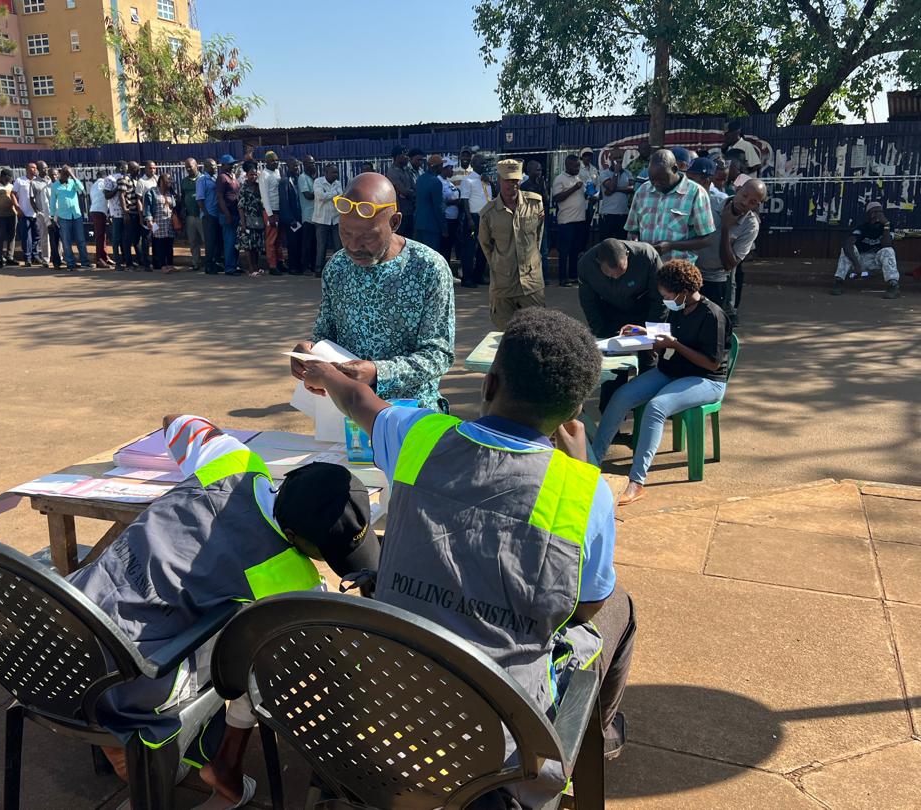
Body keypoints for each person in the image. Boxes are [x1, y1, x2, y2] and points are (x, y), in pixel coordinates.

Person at [300, 308, 636, 808]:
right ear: (573, 414)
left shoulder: (419, 436)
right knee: (619, 607)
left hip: (389, 698)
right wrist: (580, 466)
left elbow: (358, 399)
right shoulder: (584, 491)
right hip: (499, 744)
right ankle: (597, 736)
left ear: (490, 382)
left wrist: (324, 373)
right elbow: (581, 608)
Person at [68, 414, 381, 807]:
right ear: (297, 539)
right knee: (273, 659)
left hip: (57, 630)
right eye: (327, 553)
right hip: (120, 680)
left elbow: (175, 422)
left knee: (202, 613)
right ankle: (205, 761)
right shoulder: (288, 578)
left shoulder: (235, 461)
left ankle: (135, 751)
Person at [290, 173, 455, 408]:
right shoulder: (337, 267)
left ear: (395, 222)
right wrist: (308, 351)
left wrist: (378, 372)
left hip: (411, 413)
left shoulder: (428, 268)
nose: (354, 246)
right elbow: (325, 335)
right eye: (345, 233)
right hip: (346, 416)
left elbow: (439, 355)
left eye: (368, 236)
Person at [593, 259, 731, 506]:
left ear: (684, 292)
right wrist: (642, 332)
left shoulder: (713, 315)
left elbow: (711, 363)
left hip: (705, 380)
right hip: (673, 371)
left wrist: (675, 345)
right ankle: (593, 461)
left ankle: (636, 482)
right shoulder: (680, 308)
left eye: (668, 295)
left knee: (657, 407)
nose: (665, 299)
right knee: (622, 396)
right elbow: (666, 333)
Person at [578, 238, 666, 411]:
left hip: (645, 311)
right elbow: (589, 303)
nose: (616, 277)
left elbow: (661, 298)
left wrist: (654, 333)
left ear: (627, 256)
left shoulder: (647, 256)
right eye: (610, 274)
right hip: (610, 313)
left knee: (650, 360)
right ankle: (611, 416)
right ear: (598, 263)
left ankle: (647, 411)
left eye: (621, 271)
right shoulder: (586, 265)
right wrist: (601, 333)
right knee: (614, 365)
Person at [691, 162, 767, 320]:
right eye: (744, 196)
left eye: (753, 202)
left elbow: (730, 265)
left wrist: (725, 227)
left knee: (709, 322)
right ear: (737, 190)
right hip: (691, 271)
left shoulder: (751, 226)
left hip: (715, 279)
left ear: (757, 205)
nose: (745, 203)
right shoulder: (710, 203)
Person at [477, 158, 546, 330]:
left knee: (537, 331)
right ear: (499, 180)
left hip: (531, 283)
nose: (511, 185)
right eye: (507, 180)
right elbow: (485, 244)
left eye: (515, 180)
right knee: (504, 335)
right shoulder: (489, 213)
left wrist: (533, 258)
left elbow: (538, 235)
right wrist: (499, 263)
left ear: (520, 180)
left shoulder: (535, 204)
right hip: (503, 285)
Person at [625, 149, 715, 262]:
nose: (656, 184)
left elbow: (707, 239)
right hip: (645, 267)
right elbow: (632, 230)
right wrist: (634, 241)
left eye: (662, 179)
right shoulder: (643, 191)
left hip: (678, 269)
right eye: (653, 180)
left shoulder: (696, 193)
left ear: (675, 169)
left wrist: (671, 246)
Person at [831, 200, 900, 299]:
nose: (878, 215)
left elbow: (887, 244)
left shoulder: (888, 226)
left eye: (880, 212)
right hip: (859, 260)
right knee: (846, 249)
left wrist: (886, 226)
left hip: (876, 262)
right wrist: (856, 265)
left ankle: (893, 285)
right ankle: (838, 282)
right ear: (869, 214)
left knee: (888, 250)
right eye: (875, 212)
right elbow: (848, 245)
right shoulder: (862, 227)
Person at [457, 152, 492, 288]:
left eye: (484, 163)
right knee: (470, 249)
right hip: (473, 217)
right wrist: (470, 219)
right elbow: (465, 200)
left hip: (486, 218)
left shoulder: (485, 180)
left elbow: (491, 196)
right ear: (473, 165)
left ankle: (479, 276)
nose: (483, 165)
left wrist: (489, 181)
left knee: (484, 248)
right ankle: (467, 278)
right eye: (480, 163)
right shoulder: (468, 180)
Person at [551, 153, 586, 286]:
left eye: (578, 166)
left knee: (575, 250)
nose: (577, 169)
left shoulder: (579, 178)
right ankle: (562, 278)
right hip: (566, 221)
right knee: (564, 251)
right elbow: (557, 198)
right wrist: (574, 188)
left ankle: (572, 276)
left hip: (579, 220)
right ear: (567, 165)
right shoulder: (559, 179)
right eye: (575, 166)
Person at [50, 165, 90, 271]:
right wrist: (52, 217)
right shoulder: (55, 186)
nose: (67, 176)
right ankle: (70, 264)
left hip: (76, 215)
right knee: (66, 241)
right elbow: (53, 203)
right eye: (65, 173)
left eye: (68, 174)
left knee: (81, 240)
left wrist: (73, 175)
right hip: (63, 217)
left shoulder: (73, 183)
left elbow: (82, 190)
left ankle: (85, 262)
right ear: (60, 174)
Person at [237, 159, 266, 277]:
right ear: (246, 175)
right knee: (248, 246)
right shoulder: (243, 188)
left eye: (255, 174)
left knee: (257, 246)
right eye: (251, 174)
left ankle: (256, 267)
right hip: (247, 220)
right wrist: (243, 224)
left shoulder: (259, 187)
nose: (253, 176)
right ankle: (250, 269)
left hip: (258, 220)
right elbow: (240, 207)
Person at [311, 163, 342, 277]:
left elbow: (340, 197)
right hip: (321, 220)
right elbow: (320, 196)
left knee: (338, 246)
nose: (336, 174)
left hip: (335, 219)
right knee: (321, 246)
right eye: (333, 172)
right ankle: (319, 270)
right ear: (326, 173)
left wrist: (329, 195)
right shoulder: (318, 182)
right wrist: (335, 194)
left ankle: (337, 270)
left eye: (336, 172)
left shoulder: (337, 183)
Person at [145, 172, 178, 274]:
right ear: (161, 181)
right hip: (158, 223)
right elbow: (148, 207)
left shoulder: (171, 192)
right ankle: (163, 265)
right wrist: (149, 220)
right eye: (168, 180)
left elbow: (175, 206)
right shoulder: (152, 192)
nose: (170, 182)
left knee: (169, 245)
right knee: (160, 245)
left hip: (169, 223)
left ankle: (170, 265)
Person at [258, 151, 285, 275]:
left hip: (280, 209)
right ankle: (272, 265)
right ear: (266, 162)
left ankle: (280, 262)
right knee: (271, 239)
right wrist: (270, 215)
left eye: (276, 160)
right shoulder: (264, 175)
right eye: (272, 160)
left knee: (279, 239)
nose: (275, 162)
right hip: (271, 211)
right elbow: (264, 196)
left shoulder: (277, 172)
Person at [412, 154, 446, 253]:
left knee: (420, 254)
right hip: (432, 226)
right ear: (437, 167)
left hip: (419, 223)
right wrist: (444, 228)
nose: (442, 168)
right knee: (431, 255)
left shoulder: (420, 179)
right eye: (441, 165)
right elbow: (438, 207)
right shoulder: (435, 182)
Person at [277, 158, 304, 274]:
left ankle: (298, 265)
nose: (297, 168)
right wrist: (290, 219)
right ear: (288, 166)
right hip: (291, 219)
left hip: (300, 217)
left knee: (299, 242)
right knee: (292, 243)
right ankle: (292, 267)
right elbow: (284, 202)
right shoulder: (285, 181)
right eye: (294, 166)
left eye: (297, 166)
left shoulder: (298, 179)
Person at [599, 150, 634, 241]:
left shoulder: (627, 173)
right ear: (610, 159)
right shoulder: (604, 173)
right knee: (606, 244)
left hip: (623, 214)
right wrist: (616, 172)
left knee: (622, 243)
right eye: (615, 158)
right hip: (608, 214)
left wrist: (615, 189)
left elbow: (631, 188)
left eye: (620, 158)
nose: (618, 161)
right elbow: (611, 187)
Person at [31, 161, 61, 269]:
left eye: (46, 168)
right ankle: (46, 259)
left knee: (57, 236)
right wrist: (37, 211)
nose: (46, 170)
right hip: (42, 213)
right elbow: (31, 198)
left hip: (55, 213)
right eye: (43, 168)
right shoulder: (34, 182)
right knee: (45, 237)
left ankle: (59, 257)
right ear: (38, 169)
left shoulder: (51, 180)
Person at [196, 158, 223, 274]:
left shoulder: (215, 178)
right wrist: (206, 214)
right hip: (209, 215)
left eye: (216, 165)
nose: (215, 167)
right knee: (210, 241)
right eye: (212, 166)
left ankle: (216, 263)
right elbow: (200, 200)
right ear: (206, 167)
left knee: (218, 241)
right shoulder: (202, 180)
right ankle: (208, 265)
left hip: (218, 214)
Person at [216, 154, 241, 275]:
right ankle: (229, 267)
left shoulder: (233, 176)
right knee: (229, 241)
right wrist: (227, 214)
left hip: (236, 213)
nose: (232, 165)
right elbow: (220, 197)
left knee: (236, 242)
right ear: (223, 165)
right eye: (230, 164)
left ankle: (235, 265)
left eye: (233, 164)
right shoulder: (222, 178)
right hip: (227, 215)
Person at [9, 163, 38, 267]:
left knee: (37, 236)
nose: (34, 169)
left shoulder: (38, 180)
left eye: (35, 168)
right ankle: (27, 258)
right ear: (26, 169)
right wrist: (17, 208)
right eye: (32, 167)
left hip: (37, 213)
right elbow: (12, 194)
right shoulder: (20, 180)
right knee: (27, 237)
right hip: (24, 213)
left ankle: (35, 256)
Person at [386, 145, 416, 238]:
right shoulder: (392, 172)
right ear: (397, 156)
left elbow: (414, 187)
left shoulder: (407, 171)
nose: (407, 157)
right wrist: (411, 193)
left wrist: (410, 192)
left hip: (410, 210)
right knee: (400, 238)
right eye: (404, 155)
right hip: (400, 211)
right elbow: (403, 191)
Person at [181, 158, 204, 272]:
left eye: (190, 166)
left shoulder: (203, 179)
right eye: (186, 167)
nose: (188, 169)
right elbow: (182, 196)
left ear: (197, 166)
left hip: (202, 215)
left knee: (206, 240)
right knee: (193, 241)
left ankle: (210, 262)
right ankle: (196, 263)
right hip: (190, 216)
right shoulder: (184, 181)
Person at [119, 162, 144, 270]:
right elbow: (121, 196)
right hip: (130, 213)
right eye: (137, 169)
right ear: (132, 169)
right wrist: (125, 211)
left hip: (136, 213)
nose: (138, 171)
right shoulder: (124, 179)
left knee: (137, 239)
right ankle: (128, 262)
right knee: (128, 239)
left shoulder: (136, 180)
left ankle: (140, 260)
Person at [87, 168, 112, 269]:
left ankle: (104, 257)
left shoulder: (93, 185)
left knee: (102, 235)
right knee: (100, 236)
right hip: (100, 211)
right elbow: (107, 198)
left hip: (95, 210)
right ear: (105, 177)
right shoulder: (104, 183)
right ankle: (100, 260)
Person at [136, 161, 159, 269]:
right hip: (147, 215)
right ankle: (146, 262)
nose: (153, 170)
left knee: (156, 238)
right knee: (146, 239)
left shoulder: (157, 179)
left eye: (154, 168)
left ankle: (156, 261)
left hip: (157, 216)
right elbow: (139, 200)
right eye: (150, 168)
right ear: (145, 169)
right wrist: (141, 216)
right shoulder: (141, 181)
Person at [298, 155, 318, 273]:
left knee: (313, 243)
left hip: (315, 215)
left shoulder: (312, 178)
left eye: (314, 163)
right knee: (306, 243)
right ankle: (304, 267)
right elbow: (308, 196)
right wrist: (320, 192)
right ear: (305, 164)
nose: (313, 165)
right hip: (307, 216)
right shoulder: (303, 178)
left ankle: (313, 265)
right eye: (311, 163)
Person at [440, 158, 461, 266]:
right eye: (450, 168)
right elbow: (441, 201)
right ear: (444, 169)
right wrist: (455, 201)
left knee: (450, 247)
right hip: (446, 219)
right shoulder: (438, 181)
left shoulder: (448, 182)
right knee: (445, 248)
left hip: (454, 219)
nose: (453, 171)